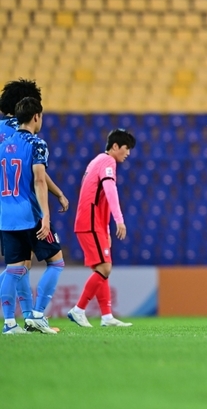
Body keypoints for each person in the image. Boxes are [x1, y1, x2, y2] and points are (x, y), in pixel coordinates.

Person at [0, 80, 69, 327]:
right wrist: (55, 198)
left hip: (5, 208)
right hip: (27, 209)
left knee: (17, 266)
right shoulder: (29, 138)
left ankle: (16, 321)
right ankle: (33, 315)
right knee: (28, 265)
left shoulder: (2, 139)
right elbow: (37, 175)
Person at [67, 129, 135, 328]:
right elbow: (109, 189)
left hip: (93, 222)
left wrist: (105, 227)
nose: (128, 153)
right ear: (115, 146)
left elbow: (94, 195)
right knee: (105, 268)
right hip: (90, 221)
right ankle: (78, 309)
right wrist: (118, 220)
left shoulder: (96, 161)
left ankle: (106, 317)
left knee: (102, 269)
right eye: (126, 148)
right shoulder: (108, 162)